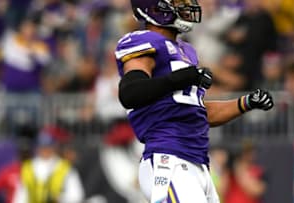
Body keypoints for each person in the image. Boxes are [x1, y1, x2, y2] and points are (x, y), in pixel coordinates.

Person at [115, 0, 274, 202]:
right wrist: (178, 79)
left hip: (197, 162)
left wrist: (245, 103)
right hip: (169, 158)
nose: (185, 6)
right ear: (154, 7)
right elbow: (130, 93)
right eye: (176, 2)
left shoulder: (185, 51)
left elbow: (198, 111)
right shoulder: (144, 42)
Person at [13, 126, 84, 203]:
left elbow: (76, 196)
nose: (45, 150)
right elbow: (21, 196)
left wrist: (61, 198)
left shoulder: (65, 168)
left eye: (48, 147)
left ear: (54, 147)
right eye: (42, 147)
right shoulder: (28, 167)